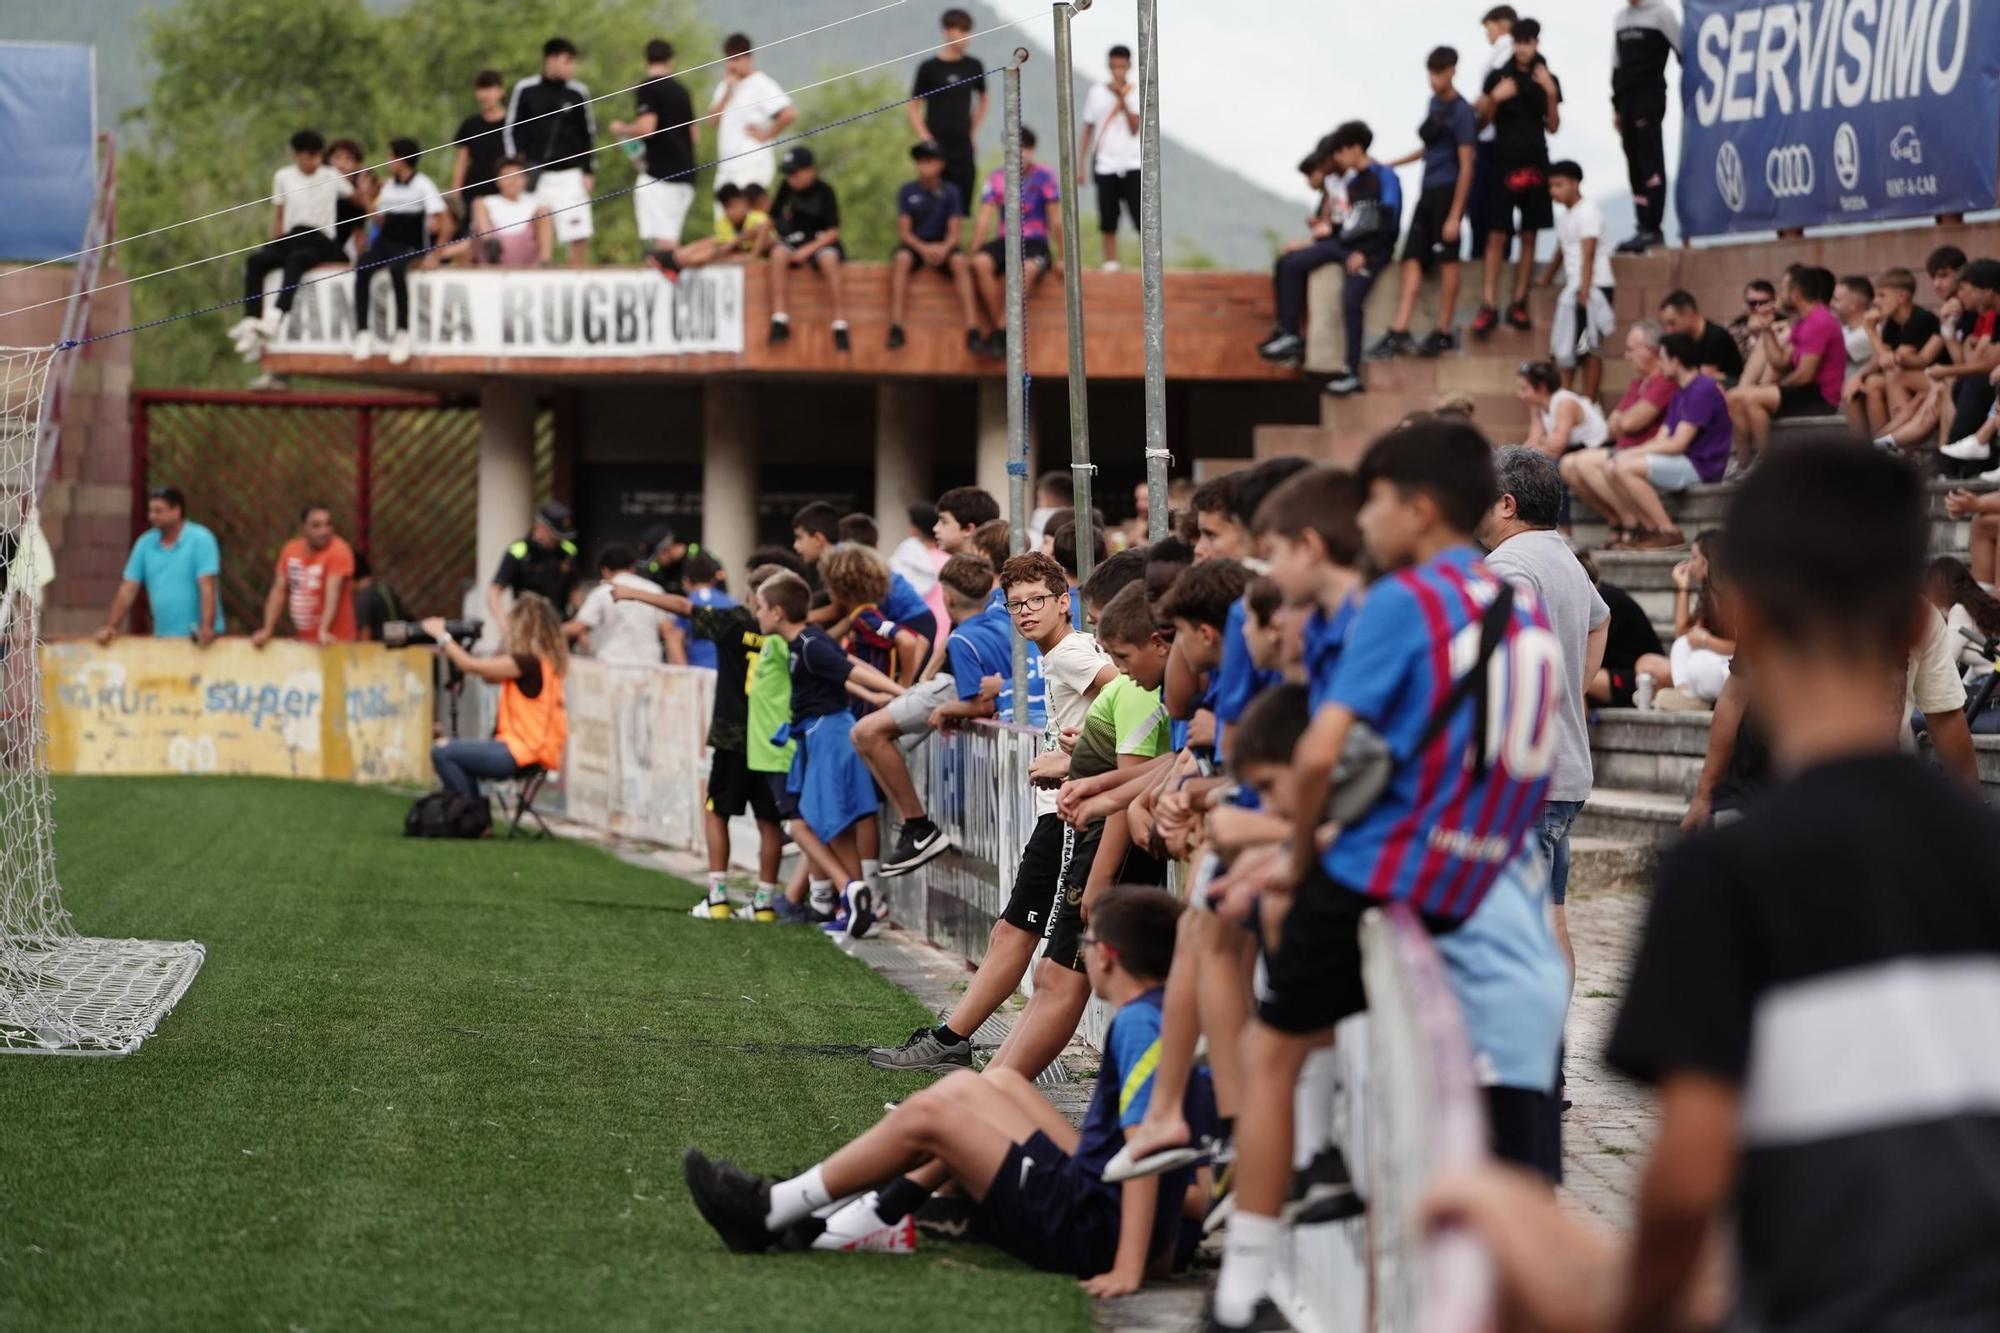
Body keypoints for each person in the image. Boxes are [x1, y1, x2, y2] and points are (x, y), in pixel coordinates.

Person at [1425, 442, 2000, 1333]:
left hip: (1826, 1303)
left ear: (1749, 618)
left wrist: (1630, 1297)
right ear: (1909, 623)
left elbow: (1688, 1175)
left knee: (1491, 1215)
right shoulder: (1980, 849)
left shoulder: (1734, 871)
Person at [1206, 422, 1560, 1331]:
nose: (1365, 519)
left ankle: (1245, 1278)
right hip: (1484, 870)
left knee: (1273, 1047)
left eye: (1373, 500)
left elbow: (1323, 748)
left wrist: (1307, 840)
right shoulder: (1516, 605)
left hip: (1388, 866)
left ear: (1418, 506)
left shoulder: (1404, 600)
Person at [685, 885, 1212, 1296]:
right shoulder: (1166, 1015)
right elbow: (1197, 1188)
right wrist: (1168, 1241)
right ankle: (862, 1219)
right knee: (988, 1084)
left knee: (937, 1117)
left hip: (1089, 1227)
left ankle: (773, 1209)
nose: (1082, 952)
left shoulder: (1140, 1026)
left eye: (1087, 942)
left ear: (1111, 956)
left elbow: (1149, 1154)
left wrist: (1130, 1265)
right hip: (1102, 1205)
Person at [867, 553, 1114, 1070]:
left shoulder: (1071, 652)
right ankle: (958, 1038)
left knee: (1026, 942)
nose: (1025, 613)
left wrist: (1074, 755)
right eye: (1015, 604)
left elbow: (1123, 700)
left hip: (1073, 813)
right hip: (1067, 808)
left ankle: (958, 1043)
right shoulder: (1060, 652)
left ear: (1063, 602)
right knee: (1016, 935)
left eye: (1037, 601)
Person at [1480, 447, 1607, 976]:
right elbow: (1602, 619)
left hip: (1523, 776)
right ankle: (1549, 1047)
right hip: (1565, 772)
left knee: (1516, 928)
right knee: (1550, 916)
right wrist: (1572, 688)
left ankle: (1532, 1051)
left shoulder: (1508, 564)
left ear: (1506, 504)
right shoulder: (1562, 555)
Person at [614, 565, 791, 920]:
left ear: (754, 594)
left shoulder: (734, 622)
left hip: (732, 735)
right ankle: (765, 901)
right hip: (771, 738)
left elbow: (683, 607)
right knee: (769, 820)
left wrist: (633, 594)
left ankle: (718, 897)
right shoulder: (789, 630)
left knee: (717, 811)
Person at [758, 571, 905, 938]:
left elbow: (851, 666)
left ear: (776, 612)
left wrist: (897, 693)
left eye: (758, 606)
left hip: (828, 734)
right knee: (832, 826)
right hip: (820, 732)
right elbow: (840, 673)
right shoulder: (806, 643)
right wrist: (874, 697)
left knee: (804, 822)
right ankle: (856, 903)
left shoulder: (808, 642)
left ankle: (850, 889)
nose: (755, 613)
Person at [1258, 122, 1402, 398]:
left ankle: (1351, 372)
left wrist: (1366, 253)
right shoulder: (1352, 181)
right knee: (1290, 263)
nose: (1336, 159)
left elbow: (1387, 223)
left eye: (1339, 152)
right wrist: (1322, 233)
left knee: (1351, 300)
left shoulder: (1383, 177)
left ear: (1355, 148)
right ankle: (1288, 333)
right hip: (1345, 244)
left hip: (1371, 252)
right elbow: (1349, 222)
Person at [1367, 45, 1479, 361]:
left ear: (1452, 71)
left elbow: (1467, 164)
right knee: (1412, 257)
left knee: (1447, 261)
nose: (1434, 80)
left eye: (1439, 73)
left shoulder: (1462, 112)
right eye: (1431, 73)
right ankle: (1399, 330)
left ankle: (1443, 330)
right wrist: (1391, 163)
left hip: (1448, 192)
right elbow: (1428, 149)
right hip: (1427, 190)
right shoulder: (1434, 104)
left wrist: (1456, 215)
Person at [1599, 332, 1734, 551]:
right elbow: (1662, 438)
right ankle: (1652, 530)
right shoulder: (1682, 391)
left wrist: (1632, 455)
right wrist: (1632, 453)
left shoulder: (1703, 388)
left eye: (1662, 359)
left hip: (1701, 466)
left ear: (1675, 360)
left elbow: (1678, 443)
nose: (1659, 365)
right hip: (1684, 460)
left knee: (1624, 467)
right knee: (1612, 465)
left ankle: (1669, 531)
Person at [426, 595, 569, 797]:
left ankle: (470, 815)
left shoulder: (526, 662)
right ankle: (476, 817)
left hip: (520, 752)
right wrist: (508, 639)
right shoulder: (542, 663)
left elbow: (470, 666)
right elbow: (489, 678)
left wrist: (441, 635)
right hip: (531, 752)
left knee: (442, 751)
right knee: (454, 753)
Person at [1472, 17, 1561, 337]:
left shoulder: (1545, 77)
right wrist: (1496, 98)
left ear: (1536, 43)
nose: (1524, 47)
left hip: (1536, 158)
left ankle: (1519, 301)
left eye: (1530, 41)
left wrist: (1551, 94)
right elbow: (1481, 122)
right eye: (1519, 41)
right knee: (1496, 234)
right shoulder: (1499, 75)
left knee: (1530, 233)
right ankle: (1488, 303)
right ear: (1513, 42)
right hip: (1502, 159)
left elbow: (1553, 126)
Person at [230, 130, 353, 359]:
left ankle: (276, 316)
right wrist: (276, 242)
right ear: (297, 156)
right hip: (292, 235)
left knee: (297, 261)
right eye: (309, 156)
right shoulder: (283, 176)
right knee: (256, 261)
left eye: (318, 156)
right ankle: (251, 320)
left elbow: (353, 196)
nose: (315, 162)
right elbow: (280, 213)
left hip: (320, 238)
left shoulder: (330, 174)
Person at [1560, 322, 1676, 534]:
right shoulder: (1638, 382)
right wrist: (1622, 421)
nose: (1627, 356)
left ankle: (1633, 523)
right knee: (1567, 465)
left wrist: (1623, 421)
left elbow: (1629, 422)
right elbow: (1611, 427)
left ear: (1650, 350)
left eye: (1631, 349)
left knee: (1583, 462)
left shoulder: (1664, 381)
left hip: (1642, 451)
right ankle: (1619, 519)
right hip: (1623, 448)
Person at [1727, 264, 1845, 461]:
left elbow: (1805, 375)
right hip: (1805, 391)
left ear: (1795, 292)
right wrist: (1766, 329)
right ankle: (1742, 464)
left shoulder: (1819, 320)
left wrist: (1775, 387)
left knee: (1753, 398)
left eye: (1783, 289)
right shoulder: (1803, 320)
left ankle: (1765, 464)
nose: (1780, 295)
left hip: (1821, 397)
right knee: (1733, 397)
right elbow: (1780, 361)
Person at [353, 138, 449, 366]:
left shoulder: (423, 184)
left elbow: (444, 221)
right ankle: (363, 332)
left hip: (411, 244)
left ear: (401, 159)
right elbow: (380, 222)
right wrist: (367, 197)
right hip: (387, 242)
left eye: (391, 157)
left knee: (398, 270)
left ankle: (402, 332)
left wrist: (435, 254)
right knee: (362, 268)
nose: (388, 161)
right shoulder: (389, 187)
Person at [970, 128, 1063, 362]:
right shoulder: (998, 177)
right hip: (1005, 240)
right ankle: (1003, 329)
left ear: (1032, 150)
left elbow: (1055, 219)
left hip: (1035, 242)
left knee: (1027, 271)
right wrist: (974, 250)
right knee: (980, 263)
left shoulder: (1045, 176)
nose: (1021, 153)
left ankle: (998, 333)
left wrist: (1062, 257)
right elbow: (984, 217)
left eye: (1025, 147)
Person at [503, 37, 596, 268]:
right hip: (537, 175)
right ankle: (542, 271)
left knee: (578, 231)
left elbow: (588, 134)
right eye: (567, 61)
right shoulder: (526, 89)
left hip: (570, 174)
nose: (570, 68)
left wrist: (588, 170)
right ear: (550, 60)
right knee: (537, 230)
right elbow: (512, 129)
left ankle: (576, 275)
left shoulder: (577, 92)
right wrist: (516, 170)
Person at [97, 487, 224, 645]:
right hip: (164, 637)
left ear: (176, 511)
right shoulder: (145, 543)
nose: (152, 517)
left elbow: (207, 586)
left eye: (158, 511)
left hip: (200, 639)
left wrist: (207, 627)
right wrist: (111, 627)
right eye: (150, 511)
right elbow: (128, 589)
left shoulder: (201, 539)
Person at [611, 39, 697, 270]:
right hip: (687, 174)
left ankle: (666, 275)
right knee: (671, 235)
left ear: (646, 60)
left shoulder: (647, 88)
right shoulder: (681, 90)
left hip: (661, 174)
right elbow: (694, 135)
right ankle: (671, 270)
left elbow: (647, 127)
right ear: (671, 61)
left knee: (663, 239)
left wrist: (623, 129)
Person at [887, 141, 975, 352]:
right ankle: (896, 325)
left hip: (943, 244)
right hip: (916, 244)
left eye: (928, 161)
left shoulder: (952, 191)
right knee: (901, 259)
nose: (923, 166)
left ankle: (973, 328)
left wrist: (943, 248)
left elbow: (955, 233)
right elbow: (905, 232)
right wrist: (923, 249)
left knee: (960, 262)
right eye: (920, 162)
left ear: (939, 165)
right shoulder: (907, 191)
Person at [1611, 0, 1680, 255]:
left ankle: (1653, 226)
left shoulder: (1662, 14)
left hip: (1649, 97)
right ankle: (1642, 224)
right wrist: (1616, 105)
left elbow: (1684, 51)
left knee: (1649, 159)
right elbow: (1616, 64)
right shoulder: (1620, 17)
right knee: (1634, 163)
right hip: (1626, 99)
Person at [1543, 160, 1615, 401]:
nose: (1554, 191)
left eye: (1559, 185)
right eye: (1551, 186)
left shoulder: (1588, 211)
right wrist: (1546, 278)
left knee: (1589, 346)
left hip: (1593, 287)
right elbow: (1562, 250)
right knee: (1566, 348)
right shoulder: (1566, 217)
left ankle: (1589, 402)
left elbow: (1589, 252)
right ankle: (1565, 399)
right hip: (1575, 289)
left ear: (1575, 184)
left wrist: (1584, 290)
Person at [765, 148, 847, 350]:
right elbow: (770, 218)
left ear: (811, 170)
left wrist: (807, 251)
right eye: (789, 174)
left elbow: (833, 231)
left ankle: (839, 323)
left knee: (828, 260)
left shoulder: (825, 191)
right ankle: (780, 318)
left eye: (796, 173)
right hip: (795, 239)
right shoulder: (786, 187)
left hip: (820, 240)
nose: (792, 178)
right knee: (778, 254)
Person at [907, 9, 987, 218]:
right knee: (933, 202)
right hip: (935, 146)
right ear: (946, 31)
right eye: (959, 31)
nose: (963, 37)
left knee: (961, 202)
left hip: (962, 144)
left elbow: (984, 99)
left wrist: (972, 131)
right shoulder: (929, 67)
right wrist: (926, 139)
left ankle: (956, 248)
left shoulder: (974, 65)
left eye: (966, 31)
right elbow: (913, 107)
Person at [706, 33, 795, 203]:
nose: (732, 65)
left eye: (736, 59)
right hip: (726, 166)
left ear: (748, 58)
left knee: (747, 215)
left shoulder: (761, 84)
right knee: (724, 218)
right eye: (729, 59)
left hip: (752, 162)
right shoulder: (725, 85)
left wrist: (767, 135)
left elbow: (788, 113)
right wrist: (727, 92)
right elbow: (712, 121)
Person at [252, 502, 357, 647]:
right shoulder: (290, 550)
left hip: (335, 640)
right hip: (304, 639)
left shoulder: (339, 550)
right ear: (303, 528)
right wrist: (267, 629)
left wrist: (324, 630)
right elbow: (279, 591)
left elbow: (333, 592)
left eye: (328, 525)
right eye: (316, 525)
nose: (324, 531)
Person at [1856, 266, 1945, 430]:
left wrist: (1870, 330)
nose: (1876, 301)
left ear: (1902, 296)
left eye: (1882, 295)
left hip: (1936, 378)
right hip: (1917, 378)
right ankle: (1871, 449)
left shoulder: (1921, 319)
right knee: (1871, 383)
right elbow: (1881, 358)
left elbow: (1891, 363)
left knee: (1895, 375)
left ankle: (1898, 438)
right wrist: (1859, 376)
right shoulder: (1892, 323)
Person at [1079, 45, 1142, 271]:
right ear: (1108, 66)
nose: (1118, 71)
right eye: (1114, 66)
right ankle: (1111, 262)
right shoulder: (1096, 92)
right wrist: (1081, 164)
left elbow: (1135, 127)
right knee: (1107, 216)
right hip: (1105, 164)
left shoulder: (1135, 92)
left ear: (1129, 67)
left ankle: (1147, 261)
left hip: (1132, 163)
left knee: (1140, 214)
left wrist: (1121, 98)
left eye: (1122, 67)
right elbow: (1088, 128)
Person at [1578, 551, 1666, 708]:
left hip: (1640, 679)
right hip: (1613, 673)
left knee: (1570, 677)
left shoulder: (1606, 600)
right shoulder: (1600, 596)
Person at [563, 544, 667, 666]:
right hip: (650, 666)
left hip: (612, 666)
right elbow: (668, 631)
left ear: (605, 570)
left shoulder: (602, 592)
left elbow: (578, 627)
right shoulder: (655, 590)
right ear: (632, 567)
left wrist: (546, 631)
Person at [487, 502, 581, 627]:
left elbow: (575, 591)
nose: (558, 540)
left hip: (559, 625)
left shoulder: (568, 551)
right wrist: (504, 624)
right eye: (555, 535)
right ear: (541, 527)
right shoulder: (519, 551)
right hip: (527, 626)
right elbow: (495, 591)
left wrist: (581, 620)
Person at [449, 70, 510, 228]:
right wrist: (456, 192)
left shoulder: (514, 122)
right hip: (474, 190)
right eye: (481, 89)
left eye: (490, 88)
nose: (485, 94)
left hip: (505, 190)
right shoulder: (470, 125)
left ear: (501, 91)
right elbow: (462, 161)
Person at [468, 157, 552, 267]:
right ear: (498, 180)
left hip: (526, 253)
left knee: (544, 212)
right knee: (478, 204)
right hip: (492, 253)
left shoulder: (535, 205)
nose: (513, 181)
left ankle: (545, 261)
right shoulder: (486, 202)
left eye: (518, 176)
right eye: (507, 176)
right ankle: (491, 247)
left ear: (525, 179)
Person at [1518, 359, 1608, 459]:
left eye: (1524, 389)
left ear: (1542, 387)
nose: (1520, 394)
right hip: (1575, 451)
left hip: (1597, 449)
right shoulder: (1537, 407)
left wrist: (1541, 443)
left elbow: (1555, 451)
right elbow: (1533, 441)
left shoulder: (1565, 403)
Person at [1656, 289, 1745, 383]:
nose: (1669, 330)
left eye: (1672, 323)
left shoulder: (1715, 336)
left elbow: (1705, 377)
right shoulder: (1687, 339)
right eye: (1665, 325)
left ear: (1688, 314)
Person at [673, 183, 769, 268]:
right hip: (731, 251)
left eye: (733, 205)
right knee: (684, 255)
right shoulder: (724, 222)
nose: (730, 212)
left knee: (697, 256)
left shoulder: (758, 218)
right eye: (725, 207)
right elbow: (723, 246)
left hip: (754, 257)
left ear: (744, 202)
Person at [350, 553, 403, 643]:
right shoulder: (385, 588)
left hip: (378, 653)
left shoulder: (363, 599)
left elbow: (365, 637)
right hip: (397, 647)